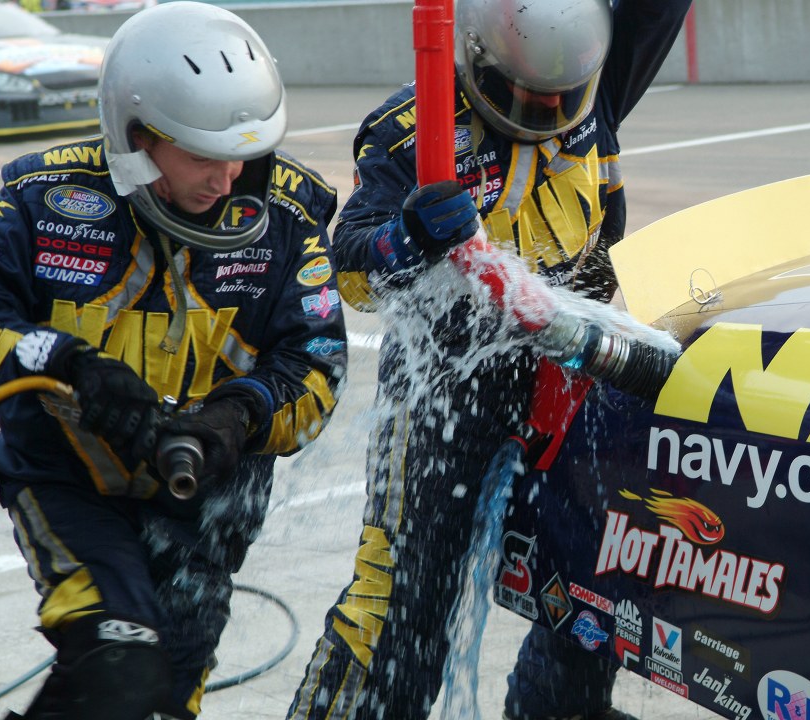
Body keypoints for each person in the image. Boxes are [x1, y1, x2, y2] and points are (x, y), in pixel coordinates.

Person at [0, 3, 346, 718]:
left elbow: (318, 363)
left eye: (241, 152)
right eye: (203, 156)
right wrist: (68, 363)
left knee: (156, 697)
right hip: (69, 483)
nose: (228, 177)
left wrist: (240, 416)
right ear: (137, 137)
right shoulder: (43, 201)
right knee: (120, 663)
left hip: (208, 508)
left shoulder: (290, 215)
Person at [286, 0, 692, 717]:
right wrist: (407, 234)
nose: (543, 109)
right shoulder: (410, 130)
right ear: (476, 63)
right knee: (401, 602)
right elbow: (348, 270)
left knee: (599, 582)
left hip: (574, 379)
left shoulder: (598, 76)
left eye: (561, 99)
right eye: (522, 95)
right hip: (446, 388)